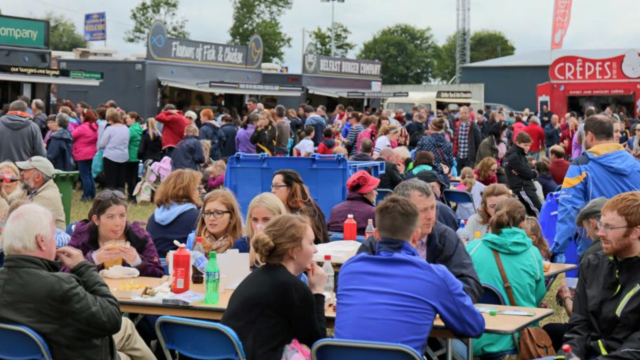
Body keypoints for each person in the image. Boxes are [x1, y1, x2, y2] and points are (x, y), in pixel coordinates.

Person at [0, 203, 155, 360]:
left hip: (29, 350)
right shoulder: (60, 286)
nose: (55, 242)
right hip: (71, 351)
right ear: (41, 241)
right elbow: (111, 317)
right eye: (53, 236)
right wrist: (83, 267)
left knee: (127, 327)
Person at [336, 195, 485, 353]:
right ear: (415, 235)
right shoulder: (435, 276)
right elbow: (473, 327)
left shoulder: (348, 269)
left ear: (376, 235)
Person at [221, 214, 327, 360]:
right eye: (311, 243)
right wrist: (317, 291)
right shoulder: (293, 287)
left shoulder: (254, 277)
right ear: (293, 251)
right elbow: (318, 345)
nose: (315, 250)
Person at [358, 179, 483, 302]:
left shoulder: (446, 238)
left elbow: (471, 286)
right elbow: (356, 282)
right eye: (422, 210)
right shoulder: (382, 238)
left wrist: (429, 301)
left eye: (433, 207)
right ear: (401, 211)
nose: (430, 216)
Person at [555, 192, 640, 360]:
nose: (600, 233)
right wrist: (570, 355)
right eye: (601, 224)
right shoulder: (592, 264)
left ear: (635, 232)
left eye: (609, 227)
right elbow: (579, 324)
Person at [552, 115, 640, 262]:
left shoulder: (580, 165)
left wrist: (557, 249)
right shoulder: (636, 164)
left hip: (597, 247)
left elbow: (569, 209)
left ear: (590, 136)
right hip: (633, 246)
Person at [466, 198, 546, 357]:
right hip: (518, 336)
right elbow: (538, 296)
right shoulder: (532, 253)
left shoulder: (473, 248)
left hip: (474, 337)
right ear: (523, 223)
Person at [69, 190, 164, 277]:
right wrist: (93, 259)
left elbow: (159, 273)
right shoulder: (82, 235)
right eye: (110, 217)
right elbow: (64, 272)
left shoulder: (139, 237)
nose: (118, 223)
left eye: (122, 216)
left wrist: (137, 261)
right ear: (96, 220)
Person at [146, 169, 202, 258]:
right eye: (198, 188)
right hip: (181, 265)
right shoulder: (197, 217)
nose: (200, 193)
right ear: (190, 191)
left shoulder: (154, 217)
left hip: (155, 266)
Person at [271, 169, 329, 244]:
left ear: (291, 188)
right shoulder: (277, 210)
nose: (273, 190)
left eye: (277, 186)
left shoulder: (306, 213)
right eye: (272, 186)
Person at [15, 156, 66, 230]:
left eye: (25, 170)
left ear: (38, 177)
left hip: (48, 240)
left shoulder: (47, 197)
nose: (21, 173)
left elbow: (24, 223)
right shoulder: (32, 190)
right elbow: (10, 202)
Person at [236, 192, 287, 264]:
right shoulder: (242, 244)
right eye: (255, 220)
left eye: (266, 220)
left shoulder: (288, 245)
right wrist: (251, 257)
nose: (259, 225)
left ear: (279, 219)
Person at [328, 171, 378, 235]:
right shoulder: (373, 212)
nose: (377, 193)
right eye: (374, 189)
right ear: (366, 191)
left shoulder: (335, 210)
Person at [504, 132, 542, 216]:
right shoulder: (514, 157)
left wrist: (531, 172)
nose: (528, 148)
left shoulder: (520, 154)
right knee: (538, 212)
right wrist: (533, 172)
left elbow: (528, 171)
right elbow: (528, 173)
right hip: (523, 188)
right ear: (517, 142)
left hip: (526, 187)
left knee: (535, 211)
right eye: (525, 145)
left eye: (529, 145)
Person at [99, 109, 130, 191]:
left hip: (110, 156)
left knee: (110, 180)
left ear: (110, 119)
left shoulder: (109, 129)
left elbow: (102, 144)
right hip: (123, 156)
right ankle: (121, 196)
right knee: (121, 179)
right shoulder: (126, 128)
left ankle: (111, 197)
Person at [73, 109, 99, 201]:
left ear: (85, 117)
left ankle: (85, 196)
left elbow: (72, 135)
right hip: (91, 153)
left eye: (81, 116)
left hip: (82, 153)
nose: (80, 117)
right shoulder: (94, 126)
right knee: (89, 174)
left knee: (84, 175)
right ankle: (92, 194)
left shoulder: (83, 127)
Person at [453, 106, 482, 172]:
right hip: (459, 156)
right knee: (458, 177)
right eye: (461, 113)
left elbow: (478, 143)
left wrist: (476, 157)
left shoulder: (474, 127)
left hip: (469, 158)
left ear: (469, 114)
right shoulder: (457, 125)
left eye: (465, 113)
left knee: (468, 176)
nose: (463, 115)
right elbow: (455, 141)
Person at [124, 112, 143, 202]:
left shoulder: (130, 130)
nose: (126, 120)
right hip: (138, 156)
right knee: (136, 178)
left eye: (128, 118)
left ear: (133, 119)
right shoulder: (140, 128)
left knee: (130, 178)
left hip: (130, 156)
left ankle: (131, 197)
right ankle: (137, 195)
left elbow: (125, 142)